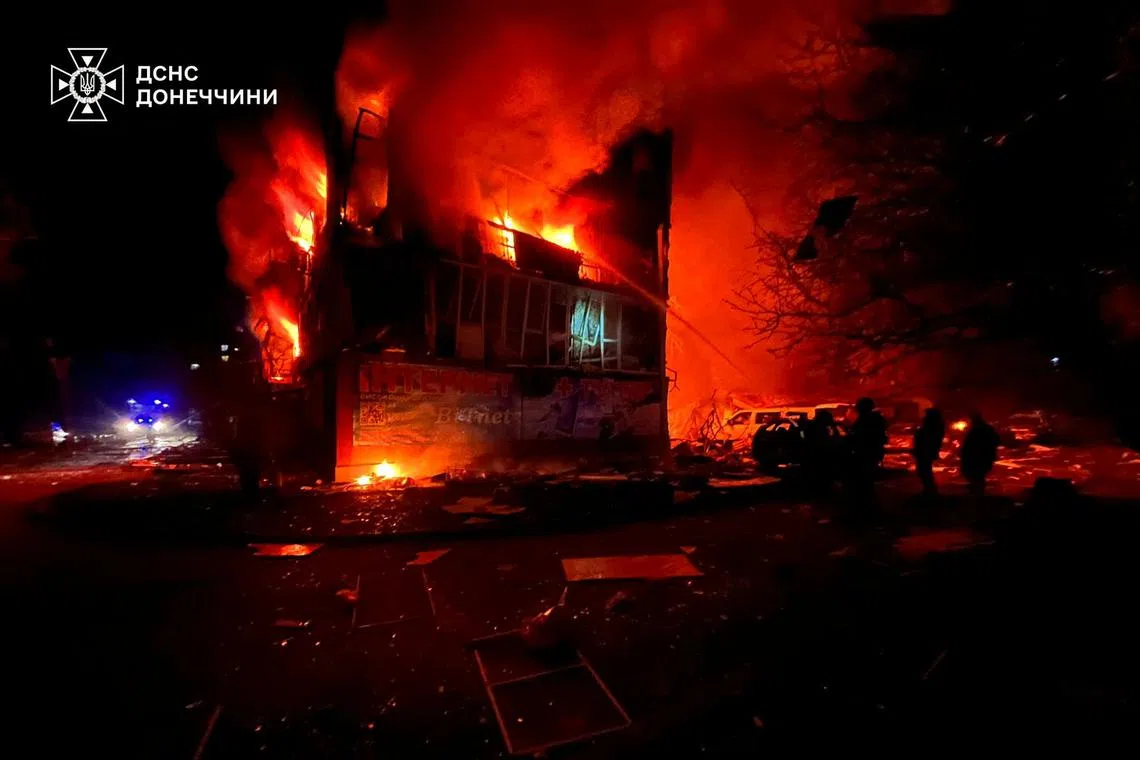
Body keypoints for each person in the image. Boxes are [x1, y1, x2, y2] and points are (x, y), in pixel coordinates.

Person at [846, 397, 887, 515]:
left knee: (864, 480)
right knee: (865, 481)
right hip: (869, 453)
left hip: (866, 453)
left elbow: (859, 436)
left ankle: (866, 508)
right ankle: (868, 506)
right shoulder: (873, 419)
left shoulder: (868, 420)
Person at [961, 412, 999, 495]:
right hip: (982, 456)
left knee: (976, 474)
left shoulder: (978, 430)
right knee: (977, 475)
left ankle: (978, 492)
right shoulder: (985, 429)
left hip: (980, 457)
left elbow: (970, 444)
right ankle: (978, 490)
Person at [912, 408, 945, 497]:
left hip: (925, 450)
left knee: (924, 470)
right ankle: (929, 489)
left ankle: (930, 490)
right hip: (925, 450)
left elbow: (928, 438)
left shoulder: (933, 427)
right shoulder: (935, 426)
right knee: (924, 470)